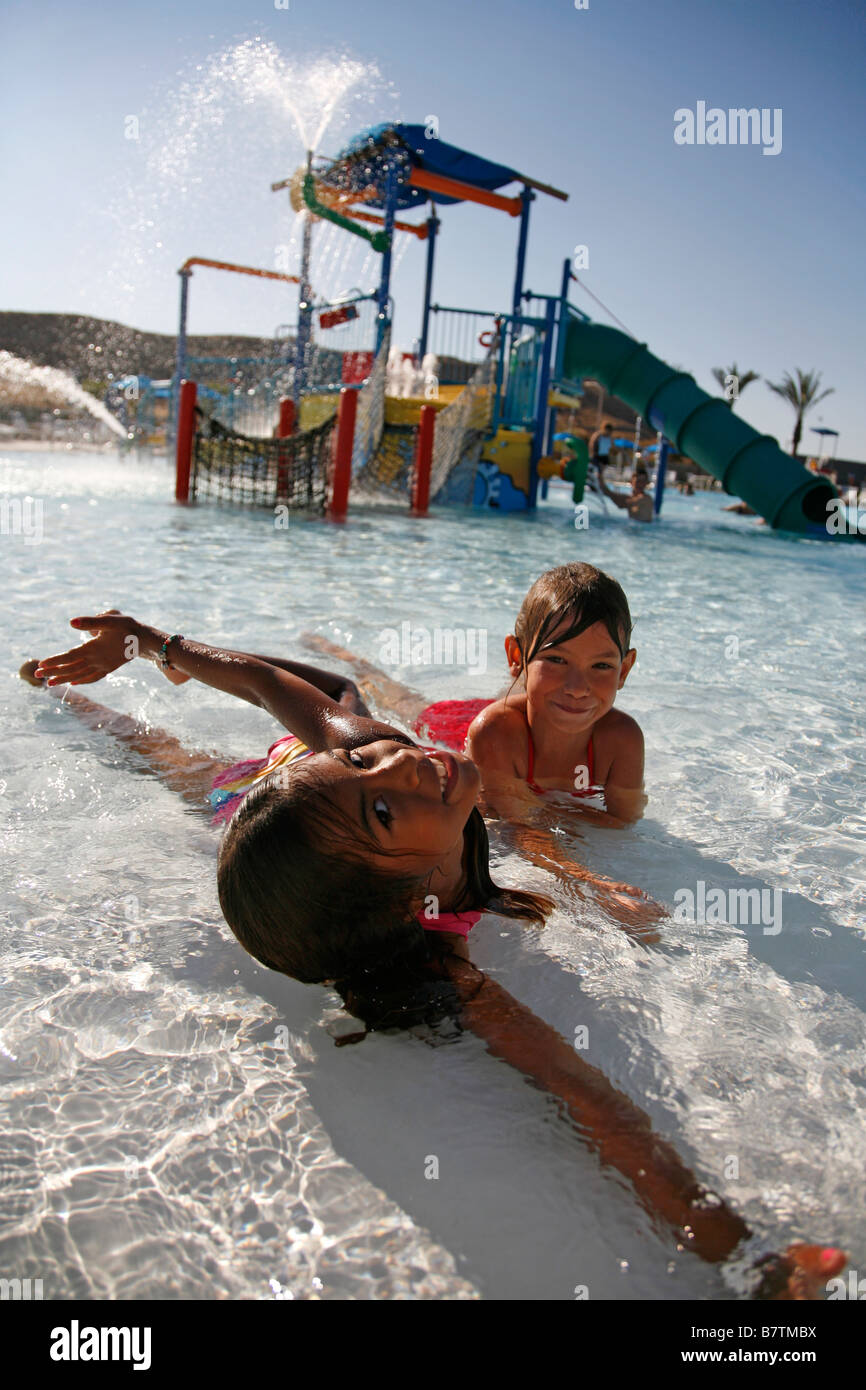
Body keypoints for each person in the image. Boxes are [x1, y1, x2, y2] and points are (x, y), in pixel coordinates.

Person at [18, 624, 844, 1298]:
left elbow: (275, 690)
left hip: (302, 787)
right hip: (261, 799)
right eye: (382, 803)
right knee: (176, 765)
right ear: (407, 907)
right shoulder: (440, 964)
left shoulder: (383, 762)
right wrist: (750, 1264)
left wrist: (148, 643)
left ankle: (305, 685)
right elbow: (593, 1104)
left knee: (342, 703)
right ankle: (86, 713)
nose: (403, 759)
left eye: (371, 765)